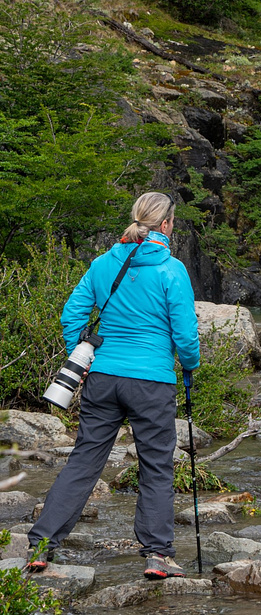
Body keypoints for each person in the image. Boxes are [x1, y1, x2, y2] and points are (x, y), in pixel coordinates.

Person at [26, 191, 201, 580]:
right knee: (155, 467)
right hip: (152, 382)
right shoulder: (171, 270)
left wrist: (82, 354)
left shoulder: (103, 264)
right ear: (167, 224)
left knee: (85, 460)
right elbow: (186, 335)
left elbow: (72, 313)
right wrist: (190, 366)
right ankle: (158, 555)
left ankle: (41, 545)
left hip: (103, 378)